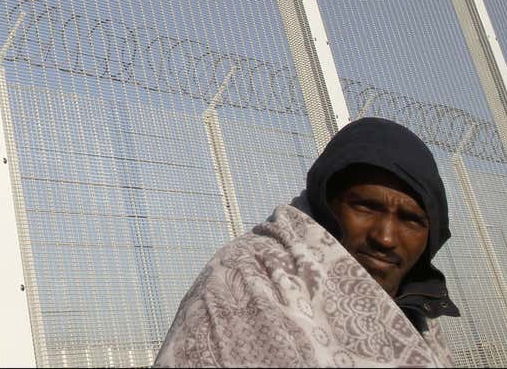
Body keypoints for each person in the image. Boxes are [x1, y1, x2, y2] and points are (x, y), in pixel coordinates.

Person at [156, 117, 459, 367]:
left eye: (410, 220)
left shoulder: (417, 314)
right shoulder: (249, 278)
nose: (385, 237)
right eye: (365, 207)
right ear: (326, 204)